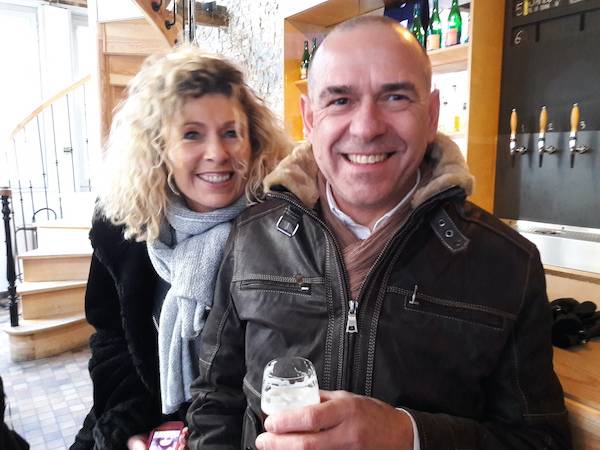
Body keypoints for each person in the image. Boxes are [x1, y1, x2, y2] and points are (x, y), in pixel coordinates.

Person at [186, 16, 571, 450]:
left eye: (395, 97)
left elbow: (543, 440)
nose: (367, 127)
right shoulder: (251, 237)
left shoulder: (508, 264)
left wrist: (408, 435)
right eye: (340, 100)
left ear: (432, 115)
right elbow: (216, 400)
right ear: (309, 119)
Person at [71, 45, 290, 450]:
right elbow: (112, 341)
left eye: (231, 132)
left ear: (253, 140)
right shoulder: (125, 229)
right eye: (191, 134)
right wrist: (129, 431)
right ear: (160, 148)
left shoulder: (286, 232)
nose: (217, 153)